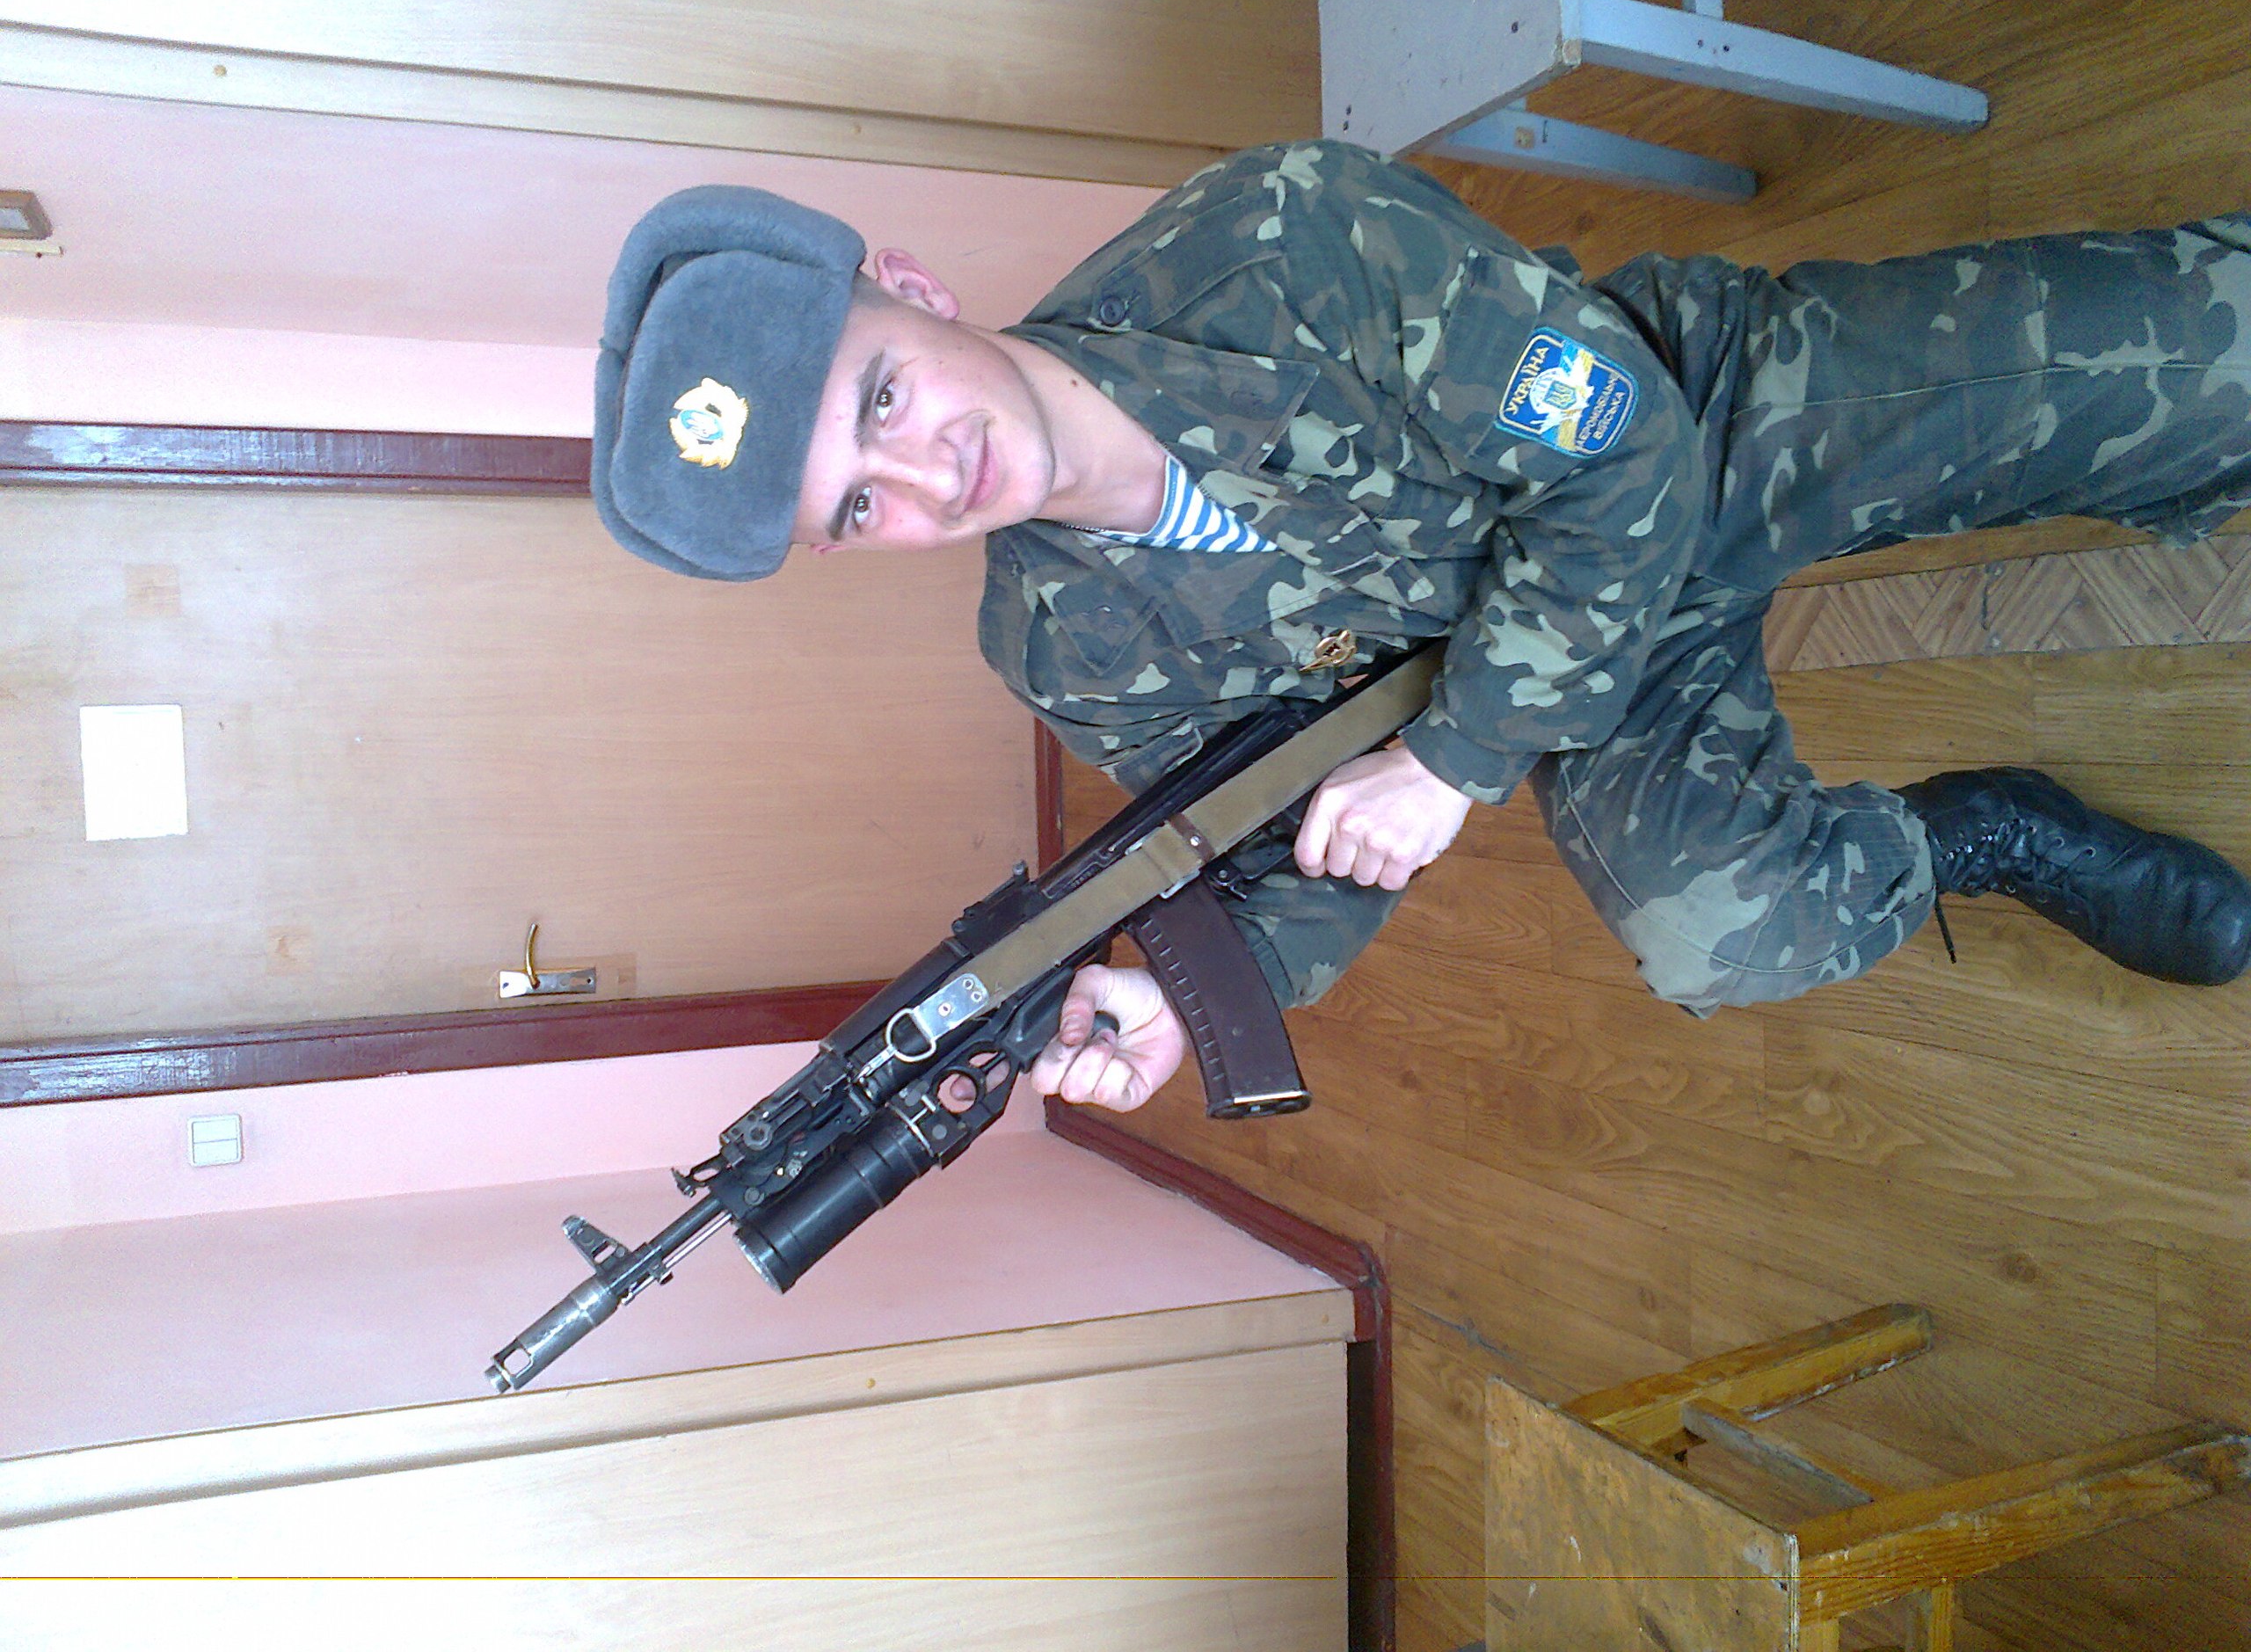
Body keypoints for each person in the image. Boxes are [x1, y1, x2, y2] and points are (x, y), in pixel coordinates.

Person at [591, 142, 2251, 1114]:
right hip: (1580, 678)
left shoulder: (1266, 244)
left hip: (1705, 419)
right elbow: (1285, 830)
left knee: (2209, 359)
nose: (922, 477)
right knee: (1726, 937)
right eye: (855, 509)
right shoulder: (1055, 648)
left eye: (880, 399)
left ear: (913, 287)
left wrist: (1457, 757)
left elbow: (1620, 447)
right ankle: (1991, 834)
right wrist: (1198, 984)